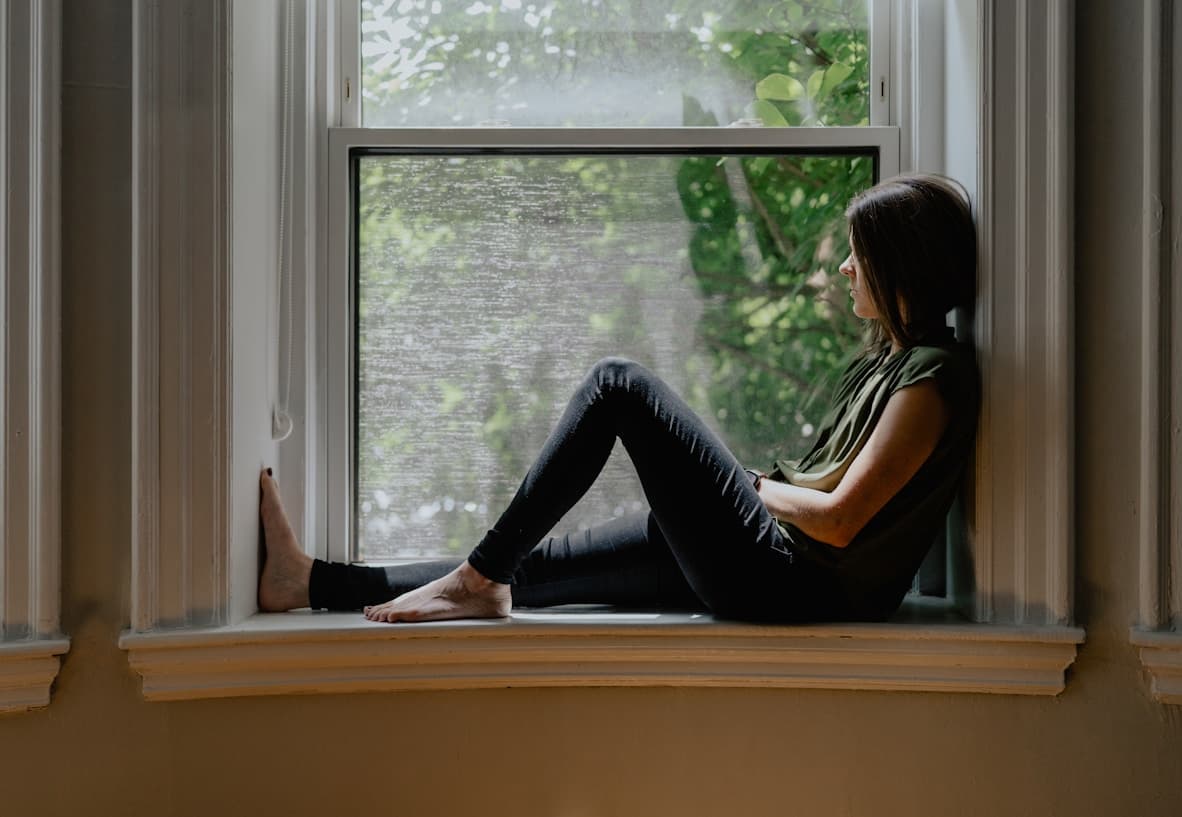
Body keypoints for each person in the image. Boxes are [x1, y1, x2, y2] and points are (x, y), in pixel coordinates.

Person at [259, 173, 979, 625]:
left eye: (863, 254)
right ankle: (311, 583)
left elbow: (842, 521)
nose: (849, 267)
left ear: (902, 266)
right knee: (525, 569)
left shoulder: (930, 380)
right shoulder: (891, 360)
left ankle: (475, 577)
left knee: (619, 384)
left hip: (791, 584)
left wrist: (746, 484)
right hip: (771, 566)